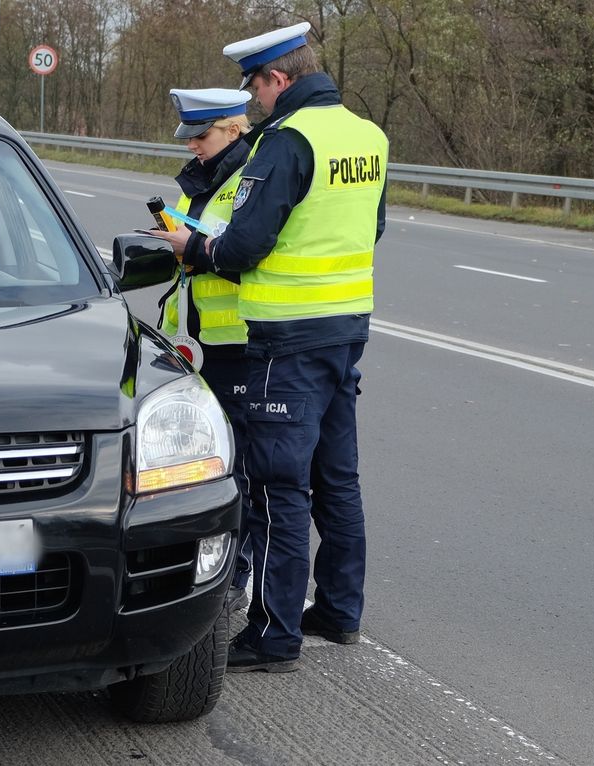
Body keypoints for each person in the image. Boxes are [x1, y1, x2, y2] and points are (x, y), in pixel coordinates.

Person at [174, 22, 389, 673]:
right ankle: (340, 610)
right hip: (346, 331)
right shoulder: (367, 135)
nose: (257, 102)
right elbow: (370, 226)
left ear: (279, 78)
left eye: (258, 88)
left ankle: (272, 634)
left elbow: (242, 248)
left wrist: (195, 249)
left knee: (275, 488)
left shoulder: (287, 140)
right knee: (337, 479)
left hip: (285, 342)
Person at [149, 88, 257, 614]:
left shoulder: (247, 179)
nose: (192, 144)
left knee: (237, 465)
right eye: (189, 135)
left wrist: (192, 247)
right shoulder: (204, 179)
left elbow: (240, 253)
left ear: (234, 130)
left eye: (202, 134)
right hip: (193, 344)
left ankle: (238, 572)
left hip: (238, 341)